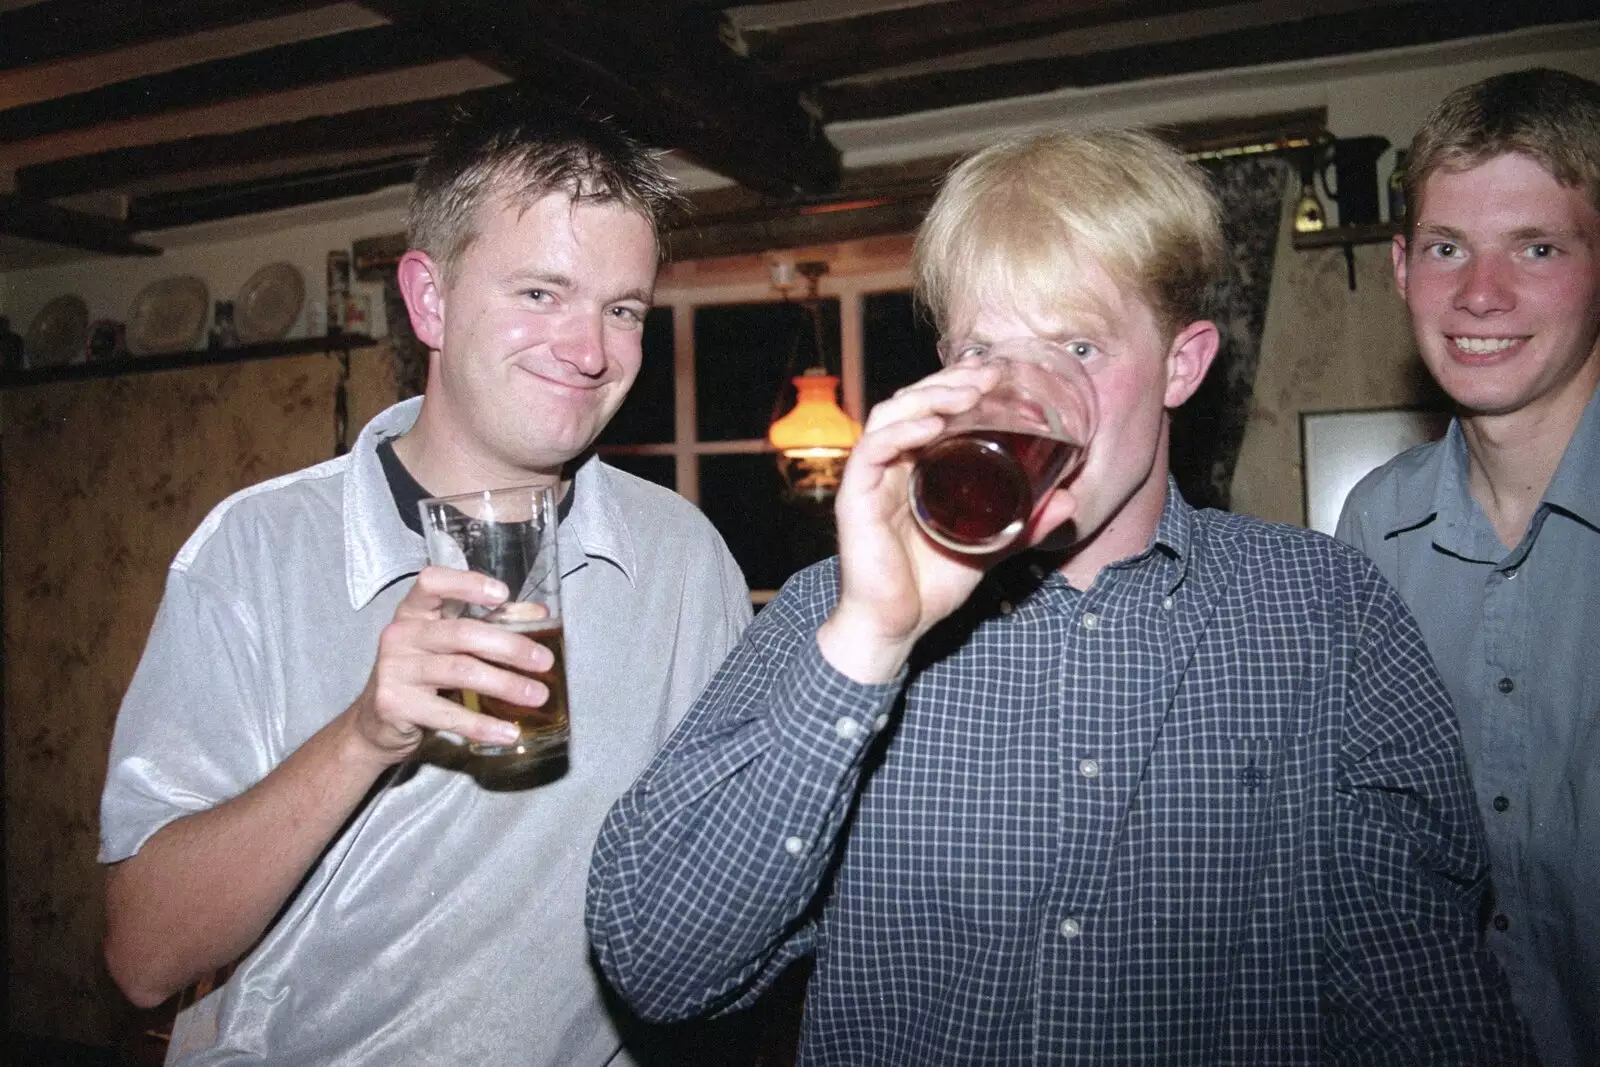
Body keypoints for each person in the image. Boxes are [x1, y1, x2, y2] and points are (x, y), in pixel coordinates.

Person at [586, 127, 1535, 1064]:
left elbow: (1422, 997)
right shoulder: (830, 615)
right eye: (983, 349)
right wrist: (868, 644)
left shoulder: (1324, 611)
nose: (1021, 393)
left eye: (1078, 345)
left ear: (1183, 363)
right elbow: (659, 967)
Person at [98, 96, 751, 1065]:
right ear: (429, 299)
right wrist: (365, 732)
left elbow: (727, 875)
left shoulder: (683, 557)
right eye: (541, 293)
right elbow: (144, 956)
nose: (590, 350)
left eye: (623, 309)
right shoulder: (254, 547)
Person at [1337, 67, 1600, 1066]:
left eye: (1536, 246)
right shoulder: (1373, 525)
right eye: (1447, 247)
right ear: (1401, 265)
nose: (1479, 293)